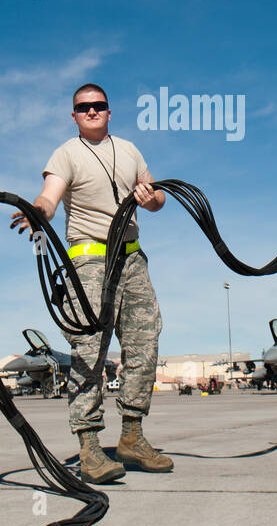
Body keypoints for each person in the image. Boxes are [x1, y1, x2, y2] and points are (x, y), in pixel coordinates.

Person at [10, 84, 172, 483]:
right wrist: (37, 212)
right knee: (88, 352)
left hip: (132, 259)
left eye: (99, 106)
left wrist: (149, 197)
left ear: (109, 111)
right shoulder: (66, 154)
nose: (92, 112)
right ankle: (89, 448)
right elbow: (50, 196)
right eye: (84, 108)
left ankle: (132, 436)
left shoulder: (130, 150)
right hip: (90, 262)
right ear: (74, 115)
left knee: (144, 343)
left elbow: (158, 200)